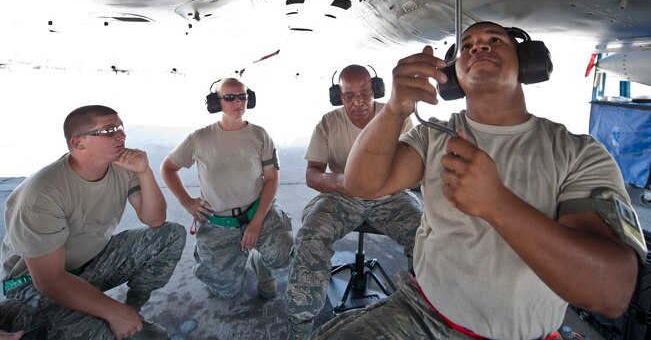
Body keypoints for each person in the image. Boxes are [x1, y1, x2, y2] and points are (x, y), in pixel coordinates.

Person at [310, 22, 641, 340]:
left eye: (495, 41)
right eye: (467, 46)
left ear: (526, 61)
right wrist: (395, 109)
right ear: (453, 76)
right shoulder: (433, 135)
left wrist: (497, 205)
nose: (479, 45)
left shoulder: (578, 153)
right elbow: (361, 185)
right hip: (422, 313)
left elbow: (610, 293)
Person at [0, 105, 186, 340]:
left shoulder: (121, 167)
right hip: (32, 286)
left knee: (169, 235)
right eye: (109, 130)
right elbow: (49, 280)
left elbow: (155, 219)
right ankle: (113, 319)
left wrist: (144, 172)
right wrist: (112, 311)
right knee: (119, 334)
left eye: (120, 127)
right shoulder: (41, 195)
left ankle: (132, 313)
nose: (121, 135)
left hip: (91, 262)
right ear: (79, 143)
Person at [286, 65, 424, 340]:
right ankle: (301, 323)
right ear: (338, 96)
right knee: (310, 236)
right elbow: (313, 173)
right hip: (342, 196)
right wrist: (339, 181)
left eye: (365, 93)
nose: (358, 102)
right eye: (349, 96)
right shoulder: (329, 122)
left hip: (390, 195)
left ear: (376, 89)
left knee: (425, 236)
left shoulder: (398, 116)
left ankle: (420, 312)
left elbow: (415, 169)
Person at [160, 77, 293, 300]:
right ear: (216, 102)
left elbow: (271, 178)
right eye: (229, 97)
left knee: (282, 256)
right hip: (218, 222)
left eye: (242, 96)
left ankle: (260, 261)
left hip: (256, 212)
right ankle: (207, 253)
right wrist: (186, 201)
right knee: (226, 291)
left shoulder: (259, 135)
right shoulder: (199, 138)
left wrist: (258, 221)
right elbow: (168, 168)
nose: (238, 102)